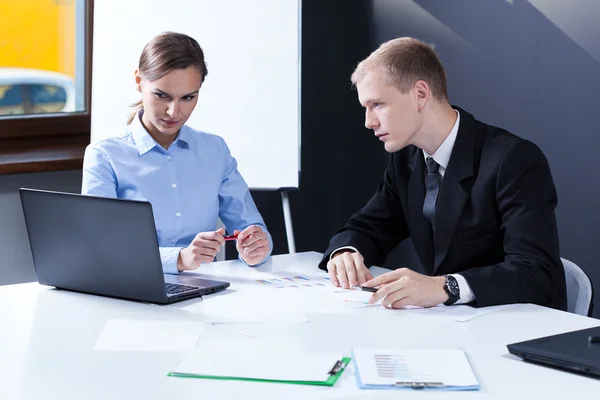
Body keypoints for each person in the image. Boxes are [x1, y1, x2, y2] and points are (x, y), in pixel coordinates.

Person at [319, 37, 566, 310]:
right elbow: (370, 226)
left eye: (377, 104)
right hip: (453, 326)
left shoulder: (513, 159)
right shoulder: (406, 159)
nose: (369, 122)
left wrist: (446, 286)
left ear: (420, 94)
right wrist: (346, 252)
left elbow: (537, 273)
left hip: (518, 326)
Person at [82, 32, 272, 274]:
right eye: (162, 96)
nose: (174, 112)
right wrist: (179, 259)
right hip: (128, 291)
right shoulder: (105, 155)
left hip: (203, 294)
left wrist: (256, 248)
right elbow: (101, 248)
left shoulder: (214, 150)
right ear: (139, 81)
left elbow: (251, 227)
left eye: (188, 98)